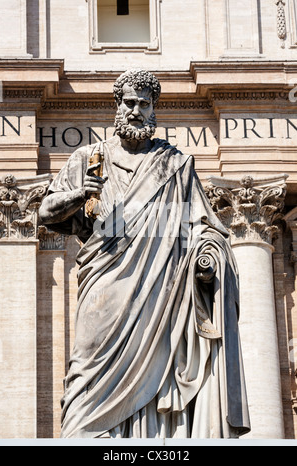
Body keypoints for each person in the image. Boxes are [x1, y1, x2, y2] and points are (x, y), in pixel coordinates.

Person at [39, 69, 250, 439]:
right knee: (85, 367)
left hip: (159, 290)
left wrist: (206, 259)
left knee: (157, 368)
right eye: (130, 102)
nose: (136, 110)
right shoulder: (89, 157)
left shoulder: (175, 165)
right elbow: (45, 213)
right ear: (117, 106)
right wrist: (79, 194)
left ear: (154, 110)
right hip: (104, 283)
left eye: (144, 103)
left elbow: (203, 225)